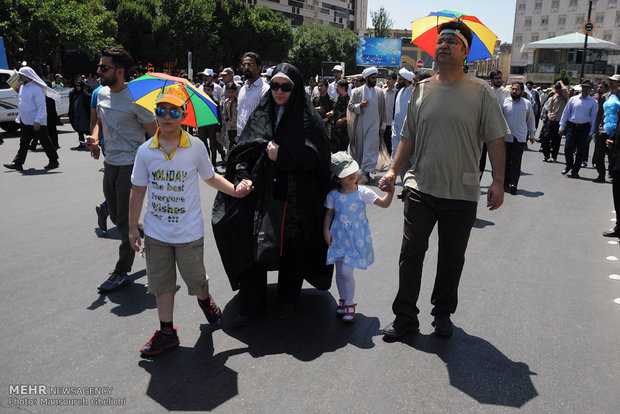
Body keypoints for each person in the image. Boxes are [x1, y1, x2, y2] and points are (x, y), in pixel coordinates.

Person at [378, 20, 509, 338]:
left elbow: (495, 139)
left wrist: (498, 181)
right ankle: (406, 316)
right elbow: (408, 137)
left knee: (452, 258)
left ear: (465, 51)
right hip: (420, 185)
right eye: (440, 40)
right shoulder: (420, 90)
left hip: (461, 192)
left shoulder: (480, 92)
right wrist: (394, 170)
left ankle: (442, 313)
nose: (443, 44)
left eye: (451, 40)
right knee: (411, 253)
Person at [129, 84, 253, 356]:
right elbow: (138, 190)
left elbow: (210, 177)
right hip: (156, 232)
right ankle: (166, 332)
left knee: (196, 280)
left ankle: (205, 300)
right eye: (162, 110)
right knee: (161, 284)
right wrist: (132, 228)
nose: (168, 116)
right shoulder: (145, 151)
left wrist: (236, 190)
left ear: (184, 115)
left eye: (175, 111)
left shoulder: (195, 147)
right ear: (156, 114)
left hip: (189, 233)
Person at [212, 63, 333, 327]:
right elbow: (245, 147)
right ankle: (252, 303)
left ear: (295, 88)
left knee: (292, 247)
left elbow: (318, 156)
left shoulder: (307, 118)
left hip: (294, 197)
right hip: (261, 194)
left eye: (286, 87)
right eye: (275, 85)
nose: (279, 92)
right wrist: (243, 172)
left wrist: (283, 156)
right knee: (252, 244)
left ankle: (288, 299)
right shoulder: (263, 111)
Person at [85, 46, 158, 292]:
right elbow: (98, 123)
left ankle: (121, 271)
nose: (98, 71)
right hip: (110, 164)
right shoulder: (101, 93)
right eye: (99, 66)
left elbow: (155, 135)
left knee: (125, 223)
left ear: (120, 71)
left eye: (104, 67)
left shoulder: (137, 100)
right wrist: (94, 138)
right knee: (117, 218)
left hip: (131, 165)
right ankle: (146, 233)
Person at [323, 152, 393, 322]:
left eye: (353, 171)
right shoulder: (333, 195)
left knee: (347, 271)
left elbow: (383, 203)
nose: (352, 175)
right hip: (339, 237)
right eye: (346, 173)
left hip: (356, 239)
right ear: (337, 177)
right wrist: (326, 230)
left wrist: (390, 192)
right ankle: (343, 300)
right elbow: (329, 214)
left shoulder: (363, 192)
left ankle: (349, 303)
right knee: (339, 272)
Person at [3, 66, 60, 171]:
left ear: (27, 76)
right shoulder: (23, 87)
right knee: (23, 142)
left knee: (45, 141)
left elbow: (41, 106)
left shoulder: (37, 88)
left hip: (35, 121)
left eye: (21, 75)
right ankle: (18, 163)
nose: (19, 77)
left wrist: (38, 120)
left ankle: (53, 160)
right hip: (25, 120)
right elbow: (22, 103)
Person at [347, 66, 385, 184]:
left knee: (370, 149)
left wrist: (382, 126)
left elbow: (383, 110)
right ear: (367, 78)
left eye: (376, 78)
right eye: (373, 78)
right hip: (361, 125)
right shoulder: (357, 91)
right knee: (360, 150)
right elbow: (351, 106)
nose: (375, 80)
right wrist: (360, 105)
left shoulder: (379, 92)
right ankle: (359, 173)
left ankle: (366, 173)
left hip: (374, 125)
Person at [502, 81, 536, 194]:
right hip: (506, 137)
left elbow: (530, 120)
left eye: (516, 89)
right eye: (512, 89)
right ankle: (505, 182)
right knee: (505, 162)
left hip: (520, 138)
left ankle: (513, 183)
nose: (514, 91)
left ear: (522, 92)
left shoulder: (526, 104)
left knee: (516, 162)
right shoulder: (504, 102)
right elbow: (499, 119)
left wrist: (532, 134)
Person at [559, 80, 598, 178]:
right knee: (568, 148)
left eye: (587, 88)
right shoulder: (573, 99)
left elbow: (594, 118)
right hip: (572, 126)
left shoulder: (593, 102)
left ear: (590, 89)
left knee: (580, 151)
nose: (585, 89)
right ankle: (569, 165)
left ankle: (575, 170)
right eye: (584, 87)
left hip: (584, 128)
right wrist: (562, 126)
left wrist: (591, 132)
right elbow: (566, 113)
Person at [236, 52, 270, 137]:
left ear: (259, 68)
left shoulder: (265, 89)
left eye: (250, 65)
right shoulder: (243, 89)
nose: (246, 68)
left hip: (256, 137)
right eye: (244, 65)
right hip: (240, 136)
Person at [542, 82, 568, 163]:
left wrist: (560, 82)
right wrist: (549, 114)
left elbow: (565, 89)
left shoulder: (565, 97)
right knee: (546, 137)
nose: (558, 92)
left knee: (556, 140)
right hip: (551, 119)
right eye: (557, 90)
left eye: (559, 90)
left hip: (559, 121)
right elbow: (550, 107)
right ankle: (546, 155)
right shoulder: (554, 96)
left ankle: (554, 156)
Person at [325, 79, 349, 153]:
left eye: (337, 86)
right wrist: (331, 112)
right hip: (334, 130)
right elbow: (334, 109)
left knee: (342, 151)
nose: (336, 88)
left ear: (343, 88)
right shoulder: (337, 98)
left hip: (343, 131)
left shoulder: (348, 100)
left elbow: (352, 115)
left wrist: (344, 119)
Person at [69, 79, 92, 147]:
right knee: (79, 130)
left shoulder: (85, 93)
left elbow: (89, 95)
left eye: (79, 86)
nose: (77, 87)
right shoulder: (74, 93)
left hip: (84, 114)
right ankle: (81, 143)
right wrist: (71, 92)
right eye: (76, 86)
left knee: (86, 129)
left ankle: (89, 141)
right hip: (76, 115)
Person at [383, 71, 397, 155]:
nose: (388, 81)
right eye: (387, 79)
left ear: (395, 81)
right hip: (384, 123)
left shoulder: (398, 92)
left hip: (393, 123)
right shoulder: (382, 92)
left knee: (392, 145)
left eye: (390, 79)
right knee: (384, 144)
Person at [222, 82, 238, 150]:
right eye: (229, 92)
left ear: (235, 92)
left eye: (232, 92)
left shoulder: (239, 102)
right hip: (229, 127)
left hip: (236, 127)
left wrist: (235, 124)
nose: (230, 94)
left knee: (236, 143)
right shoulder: (226, 102)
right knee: (229, 144)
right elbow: (224, 114)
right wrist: (228, 122)